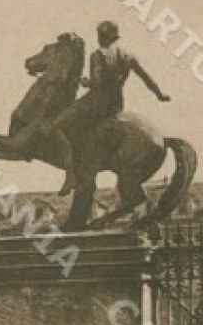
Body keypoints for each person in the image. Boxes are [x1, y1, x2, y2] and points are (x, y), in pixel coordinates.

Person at [48, 20, 171, 195]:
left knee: (56, 125)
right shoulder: (127, 55)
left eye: (99, 35)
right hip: (116, 105)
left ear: (102, 36)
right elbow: (146, 77)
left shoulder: (98, 54)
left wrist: (85, 82)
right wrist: (159, 94)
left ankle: (70, 174)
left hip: (96, 102)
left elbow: (97, 82)